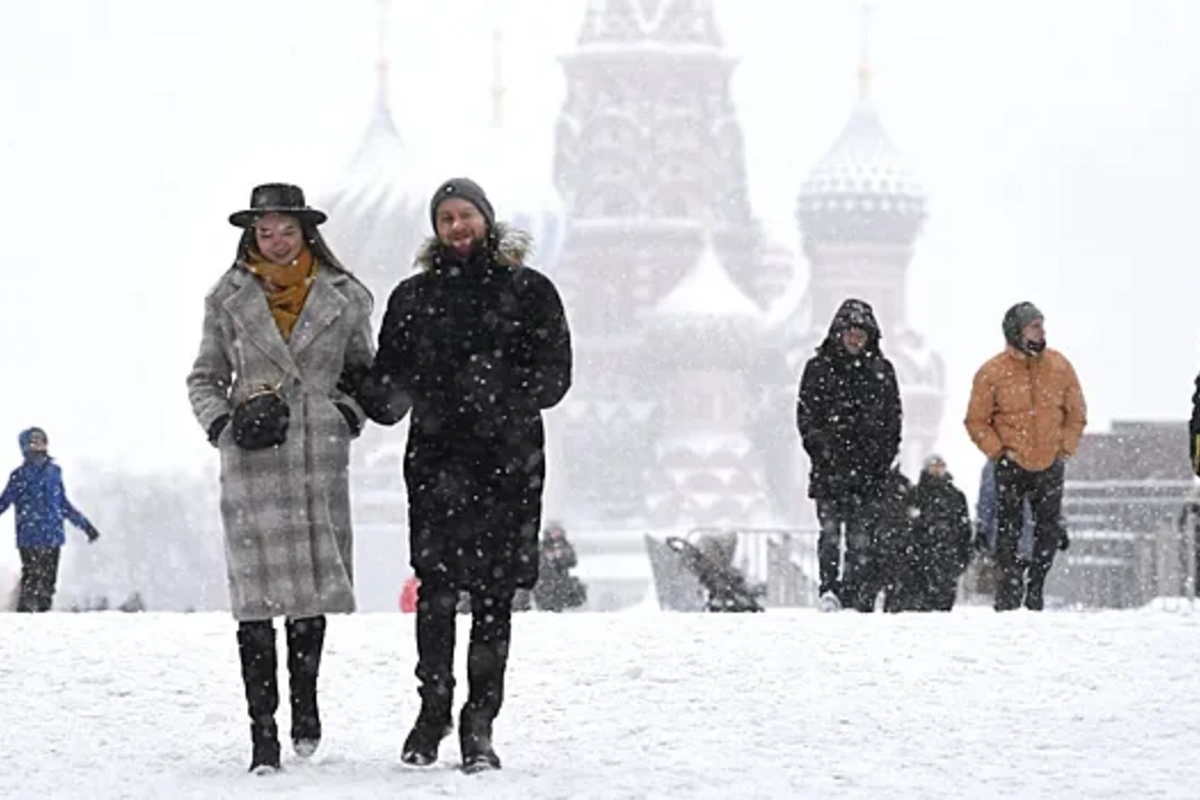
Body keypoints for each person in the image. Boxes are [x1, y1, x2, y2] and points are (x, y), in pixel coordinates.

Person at [355, 178, 571, 772]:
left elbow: (556, 376)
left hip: (508, 464)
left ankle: (480, 722)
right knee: (437, 593)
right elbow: (389, 382)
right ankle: (433, 711)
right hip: (437, 463)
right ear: (436, 227)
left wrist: (497, 390)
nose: (457, 227)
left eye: (466, 215)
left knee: (495, 598)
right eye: (446, 218)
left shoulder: (528, 292)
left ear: (486, 219)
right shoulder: (413, 298)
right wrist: (364, 390)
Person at [186, 183, 376, 773]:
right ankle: (262, 732)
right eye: (263, 231)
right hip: (253, 456)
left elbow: (363, 374)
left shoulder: (345, 297)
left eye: (284, 230)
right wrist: (224, 425)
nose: (273, 240)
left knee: (310, 591)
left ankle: (306, 703)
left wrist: (346, 414)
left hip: (317, 453)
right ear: (252, 234)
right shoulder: (227, 298)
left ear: (304, 232)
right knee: (255, 600)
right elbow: (203, 376)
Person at [965, 302, 1086, 611]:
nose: (1041, 332)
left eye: (1042, 325)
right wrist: (998, 453)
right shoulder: (992, 372)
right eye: (1034, 326)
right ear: (1016, 332)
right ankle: (1009, 588)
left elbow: (1077, 413)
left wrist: (1064, 448)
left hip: (1049, 462)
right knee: (1008, 530)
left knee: (1047, 530)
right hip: (1011, 463)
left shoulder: (1060, 367)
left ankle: (1037, 586)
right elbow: (976, 420)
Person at [796, 298, 902, 612]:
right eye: (850, 331)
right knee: (830, 535)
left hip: (867, 472)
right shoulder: (818, 368)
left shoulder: (881, 371)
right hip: (830, 470)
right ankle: (829, 589)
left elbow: (893, 422)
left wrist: (879, 460)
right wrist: (822, 450)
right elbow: (806, 416)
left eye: (861, 333)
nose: (855, 338)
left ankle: (853, 593)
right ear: (838, 333)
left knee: (861, 538)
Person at [0, 427, 100, 612]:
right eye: (33, 441)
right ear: (24, 446)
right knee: (32, 578)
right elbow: (4, 501)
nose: (38, 445)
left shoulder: (54, 472)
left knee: (48, 582)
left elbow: (63, 504)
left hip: (53, 536)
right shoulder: (19, 476)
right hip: (29, 537)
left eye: (41, 440)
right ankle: (24, 617)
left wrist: (85, 526)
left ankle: (44, 619)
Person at [904, 455, 972, 611]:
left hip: (948, 556)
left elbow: (964, 528)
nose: (938, 469)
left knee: (944, 603)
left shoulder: (956, 496)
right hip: (921, 557)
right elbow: (908, 526)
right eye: (934, 466)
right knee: (920, 604)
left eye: (941, 466)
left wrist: (963, 555)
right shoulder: (916, 494)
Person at [532, 521, 587, 612]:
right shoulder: (542, 545)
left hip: (561, 579)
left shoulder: (565, 545)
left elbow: (572, 561)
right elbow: (536, 561)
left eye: (558, 532)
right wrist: (547, 557)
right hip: (544, 580)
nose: (556, 535)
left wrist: (561, 557)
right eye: (554, 532)